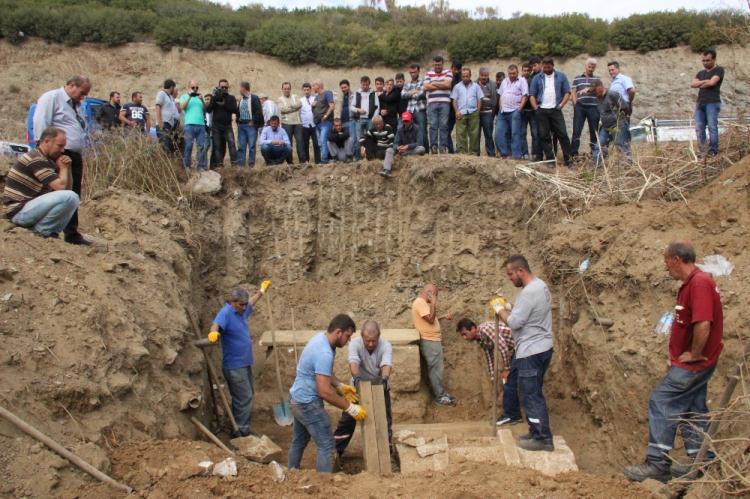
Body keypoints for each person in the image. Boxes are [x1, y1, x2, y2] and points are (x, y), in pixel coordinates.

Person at [624, 242, 723, 483]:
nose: (666, 267)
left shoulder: (699, 283)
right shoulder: (694, 283)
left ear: (677, 260)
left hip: (693, 364)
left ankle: (657, 463)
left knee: (661, 401)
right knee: (692, 408)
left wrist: (695, 353)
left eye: (667, 262)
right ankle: (702, 462)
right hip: (697, 363)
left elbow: (703, 323)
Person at [288, 314, 366, 473]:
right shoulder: (325, 352)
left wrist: (339, 386)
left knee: (299, 441)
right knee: (327, 445)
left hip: (297, 398)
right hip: (308, 404)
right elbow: (324, 392)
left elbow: (323, 372)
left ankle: (291, 473)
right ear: (338, 332)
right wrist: (350, 408)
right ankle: (325, 483)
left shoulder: (321, 339)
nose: (349, 340)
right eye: (347, 336)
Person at [497, 255, 555, 451]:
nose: (510, 278)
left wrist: (499, 310)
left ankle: (542, 438)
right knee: (533, 392)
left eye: (511, 274)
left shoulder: (529, 292)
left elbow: (514, 322)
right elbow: (527, 314)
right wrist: (509, 307)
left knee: (531, 394)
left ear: (521, 271)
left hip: (531, 350)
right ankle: (535, 430)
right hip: (542, 347)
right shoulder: (541, 286)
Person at [32, 75, 92, 245]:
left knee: (74, 193)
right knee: (59, 192)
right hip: (58, 153)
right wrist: (44, 151)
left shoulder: (76, 105)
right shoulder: (52, 98)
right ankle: (50, 229)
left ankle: (71, 232)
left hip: (74, 154)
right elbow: (40, 122)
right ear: (72, 85)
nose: (83, 96)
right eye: (82, 92)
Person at [207, 282, 270, 437]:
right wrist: (213, 333)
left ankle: (240, 426)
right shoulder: (226, 312)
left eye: (244, 304)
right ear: (232, 302)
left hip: (244, 363)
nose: (244, 307)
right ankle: (241, 431)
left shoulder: (241, 311)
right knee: (244, 397)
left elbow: (251, 302)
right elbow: (215, 325)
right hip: (234, 366)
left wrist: (261, 290)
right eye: (241, 305)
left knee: (244, 396)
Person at [2, 127, 79, 239]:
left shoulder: (47, 160)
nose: (63, 151)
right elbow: (60, 188)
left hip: (27, 209)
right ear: (47, 141)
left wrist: (67, 168)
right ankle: (42, 231)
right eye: (60, 146)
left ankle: (49, 232)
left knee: (72, 199)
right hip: (18, 212)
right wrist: (62, 169)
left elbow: (67, 190)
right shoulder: (36, 158)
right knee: (71, 198)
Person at [333, 320, 393, 457]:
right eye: (367, 341)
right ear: (362, 336)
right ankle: (336, 451)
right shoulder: (355, 344)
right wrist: (357, 378)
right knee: (348, 420)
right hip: (357, 387)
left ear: (379, 337)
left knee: (384, 420)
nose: (371, 344)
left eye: (374, 341)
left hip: (380, 385)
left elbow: (386, 364)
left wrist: (384, 378)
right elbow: (353, 362)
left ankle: (386, 452)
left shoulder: (386, 345)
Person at [456, 318, 515, 422]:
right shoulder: (480, 338)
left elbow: (503, 348)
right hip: (515, 350)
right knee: (510, 383)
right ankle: (513, 415)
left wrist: (506, 369)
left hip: (521, 347)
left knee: (509, 384)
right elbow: (489, 355)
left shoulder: (486, 330)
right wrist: (493, 376)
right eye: (462, 335)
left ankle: (511, 415)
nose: (464, 338)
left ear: (473, 328)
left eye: (465, 334)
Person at [412, 283, 455, 406]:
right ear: (430, 293)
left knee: (437, 368)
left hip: (432, 340)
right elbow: (430, 319)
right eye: (435, 294)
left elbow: (430, 319)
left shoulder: (424, 304)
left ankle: (441, 393)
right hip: (429, 340)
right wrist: (434, 303)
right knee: (436, 369)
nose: (436, 297)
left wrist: (442, 317)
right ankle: (440, 396)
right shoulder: (420, 303)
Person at [529, 57, 572, 167]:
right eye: (545, 67)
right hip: (542, 110)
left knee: (562, 134)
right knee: (544, 136)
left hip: (556, 110)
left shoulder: (561, 76)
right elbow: (532, 95)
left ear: (553, 65)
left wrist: (561, 105)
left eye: (549, 67)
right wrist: (536, 108)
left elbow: (567, 92)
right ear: (542, 66)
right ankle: (550, 160)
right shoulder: (537, 78)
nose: (546, 69)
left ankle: (569, 159)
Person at [691, 49, 724, 157]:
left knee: (712, 127)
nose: (705, 63)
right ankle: (703, 152)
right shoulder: (701, 73)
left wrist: (701, 83)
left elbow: (712, 82)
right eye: (703, 60)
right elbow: (693, 84)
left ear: (714, 59)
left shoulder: (719, 70)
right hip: (700, 103)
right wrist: (705, 82)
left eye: (708, 60)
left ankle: (713, 151)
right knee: (699, 127)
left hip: (712, 102)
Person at [592, 81, 630, 166]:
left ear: (600, 87)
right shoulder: (597, 97)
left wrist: (620, 119)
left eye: (594, 90)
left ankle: (628, 169)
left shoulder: (613, 95)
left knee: (622, 148)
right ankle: (597, 170)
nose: (593, 93)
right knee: (598, 147)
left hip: (618, 125)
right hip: (605, 127)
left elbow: (625, 107)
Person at [496, 64, 529, 159]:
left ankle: (516, 156)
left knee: (515, 133)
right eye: (510, 73)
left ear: (517, 72)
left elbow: (525, 96)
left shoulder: (522, 81)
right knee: (499, 133)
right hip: (502, 112)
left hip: (515, 111)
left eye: (514, 73)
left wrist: (520, 109)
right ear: (508, 73)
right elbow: (500, 95)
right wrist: (499, 108)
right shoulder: (504, 81)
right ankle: (505, 154)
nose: (512, 75)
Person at [571, 59, 601, 158]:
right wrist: (575, 104)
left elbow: (600, 92)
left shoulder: (597, 79)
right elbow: (574, 92)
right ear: (586, 66)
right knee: (576, 131)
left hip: (593, 107)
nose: (591, 69)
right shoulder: (577, 78)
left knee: (594, 131)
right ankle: (574, 154)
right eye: (589, 66)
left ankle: (594, 154)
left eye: (593, 67)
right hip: (580, 107)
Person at [380, 111, 425, 177]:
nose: (406, 122)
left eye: (407, 120)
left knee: (421, 149)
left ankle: (406, 156)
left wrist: (408, 146)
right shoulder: (400, 130)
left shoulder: (417, 128)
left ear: (411, 120)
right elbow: (395, 143)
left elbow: (420, 143)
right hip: (403, 152)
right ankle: (387, 170)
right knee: (389, 149)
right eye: (404, 121)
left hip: (412, 150)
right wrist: (398, 147)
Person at [449, 68, 484, 156]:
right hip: (461, 112)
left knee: (474, 134)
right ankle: (462, 153)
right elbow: (454, 100)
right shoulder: (457, 86)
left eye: (467, 76)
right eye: (463, 76)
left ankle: (473, 153)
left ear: (470, 76)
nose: (465, 78)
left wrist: (477, 111)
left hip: (473, 112)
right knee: (460, 134)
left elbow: (480, 99)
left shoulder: (476, 86)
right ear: (461, 76)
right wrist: (456, 111)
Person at [423, 56, 453, 154]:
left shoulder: (448, 72)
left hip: (445, 103)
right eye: (435, 65)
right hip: (432, 103)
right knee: (433, 125)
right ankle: (434, 147)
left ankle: (443, 147)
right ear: (433, 64)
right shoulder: (428, 73)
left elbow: (448, 85)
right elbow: (426, 86)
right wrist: (441, 83)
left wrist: (434, 82)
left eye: (439, 65)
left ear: (442, 64)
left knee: (444, 125)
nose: (437, 67)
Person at [206, 79, 238, 167]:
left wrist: (224, 104)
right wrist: (214, 99)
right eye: (222, 87)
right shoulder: (215, 97)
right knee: (217, 146)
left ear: (228, 87)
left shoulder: (231, 98)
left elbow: (235, 110)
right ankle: (219, 165)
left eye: (225, 87)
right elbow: (208, 110)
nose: (224, 89)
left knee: (231, 144)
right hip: (216, 126)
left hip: (227, 126)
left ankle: (235, 165)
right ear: (219, 87)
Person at [177, 80, 207, 172]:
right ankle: (187, 166)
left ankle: (201, 166)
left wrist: (202, 99)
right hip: (189, 125)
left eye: (197, 88)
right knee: (188, 146)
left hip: (201, 125)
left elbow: (205, 110)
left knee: (202, 146)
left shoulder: (199, 98)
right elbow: (181, 108)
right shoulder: (184, 96)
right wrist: (190, 97)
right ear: (188, 87)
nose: (195, 89)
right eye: (193, 87)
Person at [607, 61, 636, 151]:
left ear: (618, 69)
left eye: (612, 69)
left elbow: (632, 91)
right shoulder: (614, 82)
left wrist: (628, 102)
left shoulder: (624, 79)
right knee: (618, 134)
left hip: (622, 109)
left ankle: (627, 158)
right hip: (615, 110)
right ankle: (623, 156)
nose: (611, 72)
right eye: (609, 70)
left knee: (623, 133)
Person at [351, 76, 380, 160]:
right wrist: (358, 110)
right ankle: (358, 158)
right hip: (359, 120)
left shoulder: (373, 94)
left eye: (366, 85)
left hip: (370, 120)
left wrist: (374, 118)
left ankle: (369, 157)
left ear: (369, 84)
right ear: (361, 84)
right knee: (359, 139)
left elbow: (377, 107)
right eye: (363, 85)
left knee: (370, 138)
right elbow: (351, 107)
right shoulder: (357, 93)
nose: (365, 87)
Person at [236, 81, 264, 168]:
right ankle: (241, 165)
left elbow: (258, 111)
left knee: (251, 145)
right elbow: (238, 111)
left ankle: (251, 164)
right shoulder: (241, 99)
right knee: (241, 146)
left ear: (243, 88)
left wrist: (253, 121)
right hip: (241, 125)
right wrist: (237, 120)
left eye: (240, 87)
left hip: (250, 125)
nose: (239, 90)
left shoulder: (254, 98)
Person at [402, 64, 428, 150]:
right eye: (411, 72)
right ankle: (412, 150)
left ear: (418, 71)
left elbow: (421, 94)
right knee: (409, 131)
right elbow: (402, 95)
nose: (413, 74)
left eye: (415, 72)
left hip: (420, 110)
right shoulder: (407, 84)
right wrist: (414, 92)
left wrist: (410, 93)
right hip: (409, 111)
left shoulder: (423, 82)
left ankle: (426, 151)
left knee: (423, 131)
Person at [278, 81, 303, 164]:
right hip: (286, 124)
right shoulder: (280, 99)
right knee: (288, 143)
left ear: (290, 89)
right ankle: (290, 162)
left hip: (297, 123)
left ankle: (302, 161)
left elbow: (300, 104)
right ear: (282, 89)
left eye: (288, 88)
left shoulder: (295, 96)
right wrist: (294, 108)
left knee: (300, 142)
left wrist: (290, 107)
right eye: (285, 89)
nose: (286, 90)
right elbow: (282, 110)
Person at [521, 58, 542, 160]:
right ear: (522, 71)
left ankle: (535, 153)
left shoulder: (535, 79)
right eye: (524, 70)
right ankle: (524, 153)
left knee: (535, 133)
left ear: (530, 71)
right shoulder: (519, 80)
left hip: (533, 110)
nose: (526, 72)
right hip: (523, 111)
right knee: (522, 133)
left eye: (528, 70)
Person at [312, 79, 335, 163]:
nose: (312, 87)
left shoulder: (327, 93)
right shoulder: (316, 97)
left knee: (323, 140)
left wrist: (326, 115)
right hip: (317, 123)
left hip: (325, 122)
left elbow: (332, 106)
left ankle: (325, 160)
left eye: (313, 85)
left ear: (318, 85)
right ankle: (325, 159)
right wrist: (313, 105)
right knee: (320, 143)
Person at [155, 79, 180, 155]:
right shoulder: (161, 94)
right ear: (171, 87)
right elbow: (157, 107)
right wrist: (160, 123)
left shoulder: (170, 97)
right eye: (174, 88)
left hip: (169, 126)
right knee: (165, 147)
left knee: (169, 147)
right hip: (163, 124)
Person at [477, 67, 497, 157]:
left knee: (488, 134)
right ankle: (475, 153)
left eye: (486, 75)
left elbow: (495, 100)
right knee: (476, 135)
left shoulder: (493, 84)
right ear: (479, 75)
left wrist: (492, 113)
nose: (484, 77)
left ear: (488, 75)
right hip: (476, 113)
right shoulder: (474, 84)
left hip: (488, 113)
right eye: (482, 75)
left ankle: (491, 154)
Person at [300, 82, 320, 164]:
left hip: (314, 125)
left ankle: (318, 162)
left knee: (316, 144)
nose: (306, 91)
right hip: (304, 125)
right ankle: (306, 162)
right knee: (305, 144)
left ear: (310, 90)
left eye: (308, 90)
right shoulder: (300, 100)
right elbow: (299, 112)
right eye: (304, 90)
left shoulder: (315, 99)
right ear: (302, 91)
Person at [446, 60, 462, 153]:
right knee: (447, 130)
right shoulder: (447, 77)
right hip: (449, 109)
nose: (456, 71)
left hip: (460, 108)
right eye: (454, 69)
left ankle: (459, 149)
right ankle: (451, 150)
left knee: (460, 132)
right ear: (451, 68)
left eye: (458, 70)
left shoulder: (462, 78)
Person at [339, 79, 357, 154]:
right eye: (342, 88)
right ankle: (348, 156)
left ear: (349, 86)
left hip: (351, 120)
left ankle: (355, 156)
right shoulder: (341, 97)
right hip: (342, 122)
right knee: (345, 140)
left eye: (345, 87)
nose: (343, 89)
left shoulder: (354, 95)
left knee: (353, 139)